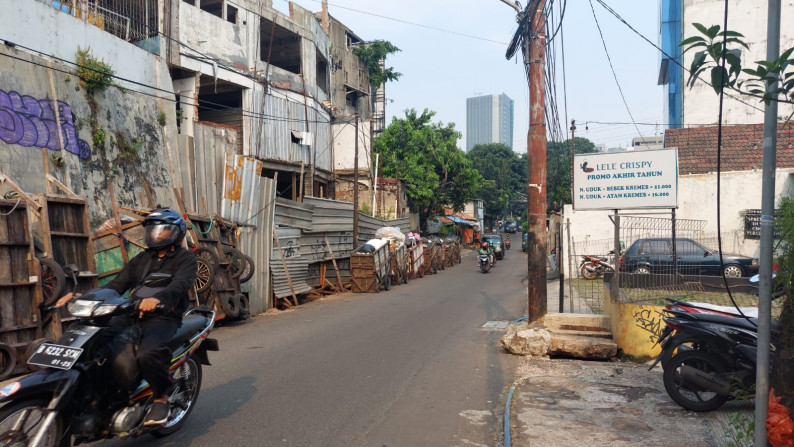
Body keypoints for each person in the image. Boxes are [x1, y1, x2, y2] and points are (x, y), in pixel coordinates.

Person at [57, 208, 197, 427]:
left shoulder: (185, 259)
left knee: (148, 354)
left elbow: (179, 286)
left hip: (163, 317)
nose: (156, 235)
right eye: (152, 230)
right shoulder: (141, 259)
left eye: (161, 231)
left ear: (175, 233)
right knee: (93, 342)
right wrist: (84, 296)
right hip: (130, 313)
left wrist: (158, 299)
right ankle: (98, 396)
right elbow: (116, 285)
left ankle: (161, 398)